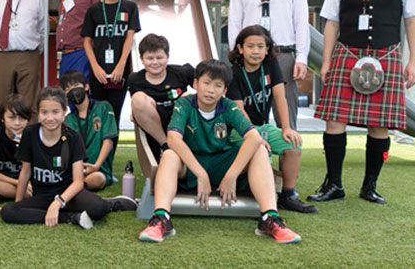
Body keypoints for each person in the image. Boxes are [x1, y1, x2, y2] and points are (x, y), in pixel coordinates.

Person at [309, 0, 415, 205]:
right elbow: (332, 24)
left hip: (386, 56)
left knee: (379, 125)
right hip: (346, 56)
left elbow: (412, 23)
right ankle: (333, 184)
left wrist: (414, 62)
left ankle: (369, 186)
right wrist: (326, 62)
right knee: (334, 121)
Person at [138, 60, 301, 244]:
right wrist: (200, 174)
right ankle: (161, 218)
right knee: (169, 154)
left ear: (224, 91)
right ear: (195, 84)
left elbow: (254, 137)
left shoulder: (228, 106)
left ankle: (269, 218)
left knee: (260, 150)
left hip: (221, 163)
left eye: (218, 86)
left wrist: (231, 176)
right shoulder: (184, 103)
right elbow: (173, 139)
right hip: (192, 164)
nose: (210, 90)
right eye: (206, 83)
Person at [226, 26, 317, 214]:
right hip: (240, 130)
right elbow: (239, 111)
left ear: (267, 49)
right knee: (261, 151)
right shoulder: (233, 72)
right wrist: (255, 137)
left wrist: (286, 128)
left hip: (262, 127)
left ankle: (288, 195)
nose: (256, 51)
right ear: (240, 49)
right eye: (250, 46)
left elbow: (280, 98)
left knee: (293, 144)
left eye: (261, 46)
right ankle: (263, 198)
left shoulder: (270, 66)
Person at [228, 0, 309, 130]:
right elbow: (234, 24)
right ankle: (256, 161)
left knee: (287, 120)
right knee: (249, 117)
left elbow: (300, 20)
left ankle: (287, 160)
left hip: (284, 55)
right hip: (250, 58)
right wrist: (237, 57)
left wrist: (301, 58)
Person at [0, 87, 111, 228]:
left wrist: (58, 203)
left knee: (99, 207)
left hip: (68, 196)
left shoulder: (73, 137)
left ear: (64, 112)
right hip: (41, 197)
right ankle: (71, 217)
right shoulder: (30, 133)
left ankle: (109, 203)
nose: (50, 118)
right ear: (38, 113)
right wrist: (18, 203)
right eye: (44, 112)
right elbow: (25, 172)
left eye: (55, 112)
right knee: (8, 212)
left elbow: (78, 182)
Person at [81, 0, 140, 127]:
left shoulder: (130, 7)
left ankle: (110, 151)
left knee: (114, 114)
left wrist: (121, 66)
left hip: (119, 73)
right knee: (98, 115)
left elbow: (129, 37)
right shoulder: (94, 10)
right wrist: (95, 67)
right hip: (98, 71)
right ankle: (98, 151)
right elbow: (87, 40)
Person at [128, 34, 194, 160]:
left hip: (180, 122)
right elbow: (136, 106)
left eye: (159, 57)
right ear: (141, 59)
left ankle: (182, 144)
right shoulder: (135, 80)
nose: (155, 62)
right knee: (138, 99)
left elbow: (204, 84)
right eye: (150, 58)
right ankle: (166, 145)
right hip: (154, 128)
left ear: (167, 57)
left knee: (189, 96)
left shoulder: (182, 72)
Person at [60, 71, 120, 193]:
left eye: (76, 86)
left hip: (99, 170)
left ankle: (74, 189)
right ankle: (75, 187)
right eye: (68, 89)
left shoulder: (103, 107)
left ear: (86, 87)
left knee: (98, 179)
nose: (73, 91)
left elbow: (108, 142)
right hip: (76, 171)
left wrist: (96, 165)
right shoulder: (68, 120)